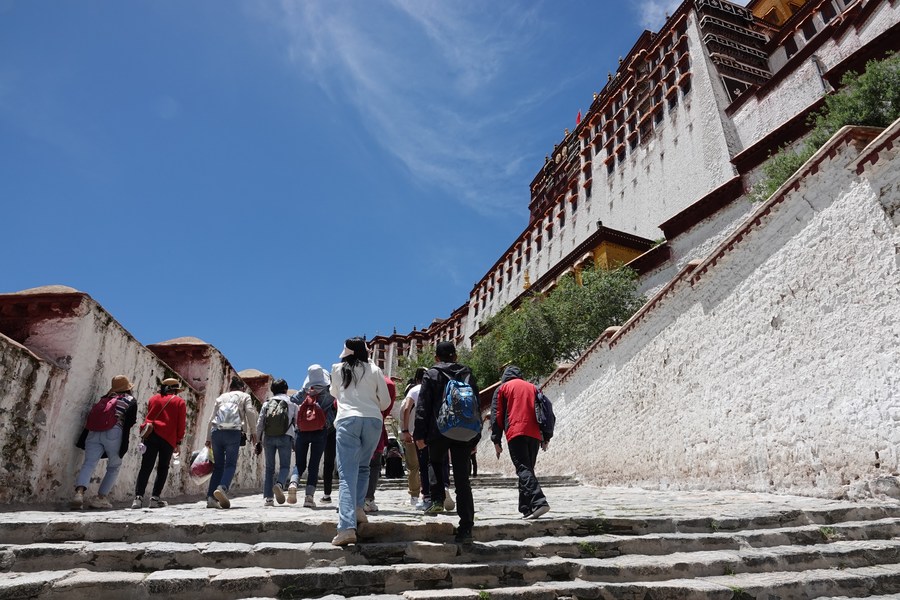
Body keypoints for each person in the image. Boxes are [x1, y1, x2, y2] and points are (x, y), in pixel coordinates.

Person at [414, 341, 480, 544]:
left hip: (438, 430)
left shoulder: (431, 374)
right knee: (463, 481)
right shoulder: (467, 372)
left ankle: (436, 498)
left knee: (434, 462)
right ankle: (466, 527)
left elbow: (423, 406)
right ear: (455, 356)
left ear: (436, 358)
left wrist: (419, 434)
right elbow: (476, 402)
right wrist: (476, 436)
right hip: (464, 431)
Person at [329, 338, 391, 546]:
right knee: (364, 466)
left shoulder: (337, 369)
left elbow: (334, 393)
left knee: (347, 474)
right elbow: (385, 401)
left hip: (348, 419)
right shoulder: (374, 370)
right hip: (373, 420)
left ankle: (346, 527)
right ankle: (357, 509)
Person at [491, 365, 550, 520]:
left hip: (515, 432)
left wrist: (496, 440)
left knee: (523, 468)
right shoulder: (533, 387)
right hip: (535, 434)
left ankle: (539, 501)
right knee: (527, 469)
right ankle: (526, 508)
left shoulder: (503, 388)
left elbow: (497, 415)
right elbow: (546, 411)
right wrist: (546, 436)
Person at [72, 375, 138, 509]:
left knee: (89, 463)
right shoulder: (130, 400)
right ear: (127, 388)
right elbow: (130, 422)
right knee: (114, 466)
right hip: (114, 432)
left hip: (93, 432)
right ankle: (101, 497)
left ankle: (79, 493)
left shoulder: (104, 398)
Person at [132, 377, 187, 509]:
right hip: (168, 438)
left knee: (146, 467)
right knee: (163, 468)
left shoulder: (153, 399)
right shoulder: (179, 402)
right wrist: (178, 441)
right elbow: (181, 424)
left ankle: (138, 498)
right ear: (175, 390)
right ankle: (155, 499)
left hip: (150, 435)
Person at [205, 376, 259, 509]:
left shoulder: (221, 397)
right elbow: (250, 413)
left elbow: (211, 418)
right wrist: (253, 432)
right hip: (233, 433)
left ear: (230, 387)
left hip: (217, 432)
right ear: (242, 387)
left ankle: (211, 498)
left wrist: (208, 438)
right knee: (230, 464)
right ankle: (222, 488)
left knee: (218, 466)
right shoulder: (244, 396)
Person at [289, 364, 337, 505]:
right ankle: (309, 498)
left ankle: (294, 482)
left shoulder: (305, 391)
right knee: (314, 465)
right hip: (320, 431)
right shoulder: (329, 392)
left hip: (302, 430)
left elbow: (293, 400)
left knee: (299, 463)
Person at [256, 378, 297, 507]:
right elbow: (296, 424)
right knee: (285, 466)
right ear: (286, 389)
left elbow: (260, 423)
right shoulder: (292, 403)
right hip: (286, 436)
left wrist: (258, 440)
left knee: (269, 468)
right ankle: (279, 484)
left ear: (272, 390)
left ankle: (269, 499)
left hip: (268, 437)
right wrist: (295, 442)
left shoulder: (267, 403)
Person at [364, 376, 396, 513]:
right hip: (374, 422)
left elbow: (336, 403)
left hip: (351, 422)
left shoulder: (349, 374)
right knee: (374, 464)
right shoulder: (385, 381)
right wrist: (381, 415)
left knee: (352, 463)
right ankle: (368, 499)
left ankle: (350, 499)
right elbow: (388, 403)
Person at [399, 369, 424, 506]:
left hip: (411, 436)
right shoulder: (430, 390)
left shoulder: (412, 393)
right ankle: (430, 495)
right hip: (427, 435)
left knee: (413, 467)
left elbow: (405, 411)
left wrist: (405, 432)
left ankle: (414, 497)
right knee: (427, 465)